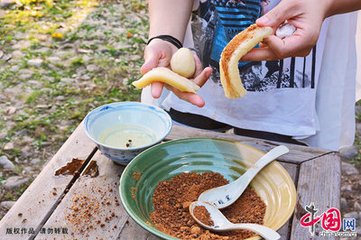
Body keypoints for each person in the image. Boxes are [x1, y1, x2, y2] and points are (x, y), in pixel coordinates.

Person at [140, 0, 361, 150]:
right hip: (195, 73)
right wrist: (167, 36)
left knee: (280, 187)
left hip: (291, 93)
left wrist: (323, 4)